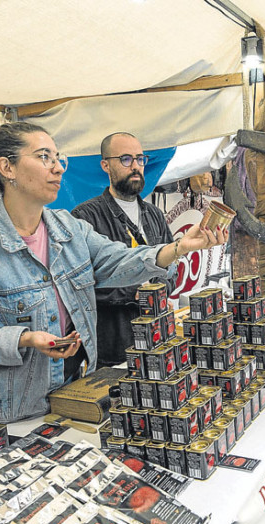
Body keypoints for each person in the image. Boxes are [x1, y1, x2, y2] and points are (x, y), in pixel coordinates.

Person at [0, 123, 227, 424]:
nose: (58, 169)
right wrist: (24, 339)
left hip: (75, 395)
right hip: (14, 414)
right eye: (44, 157)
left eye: (58, 158)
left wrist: (179, 247)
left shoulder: (69, 230)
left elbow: (119, 260)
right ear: (7, 167)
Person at [71, 132, 174, 367]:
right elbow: (81, 284)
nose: (136, 166)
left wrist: (161, 289)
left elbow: (172, 268)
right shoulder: (85, 216)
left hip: (157, 340)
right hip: (113, 346)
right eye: (126, 159)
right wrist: (134, 292)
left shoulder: (154, 215)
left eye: (140, 159)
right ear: (106, 165)